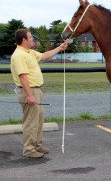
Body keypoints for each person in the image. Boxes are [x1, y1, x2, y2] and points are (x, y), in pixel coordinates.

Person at [10, 29, 69, 158]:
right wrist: (30, 95)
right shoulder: (19, 55)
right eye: (31, 37)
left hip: (36, 90)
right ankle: (29, 150)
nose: (33, 39)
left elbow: (44, 55)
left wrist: (59, 48)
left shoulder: (29, 52)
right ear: (24, 40)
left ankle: (36, 145)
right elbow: (23, 77)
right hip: (29, 91)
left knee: (38, 119)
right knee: (31, 121)